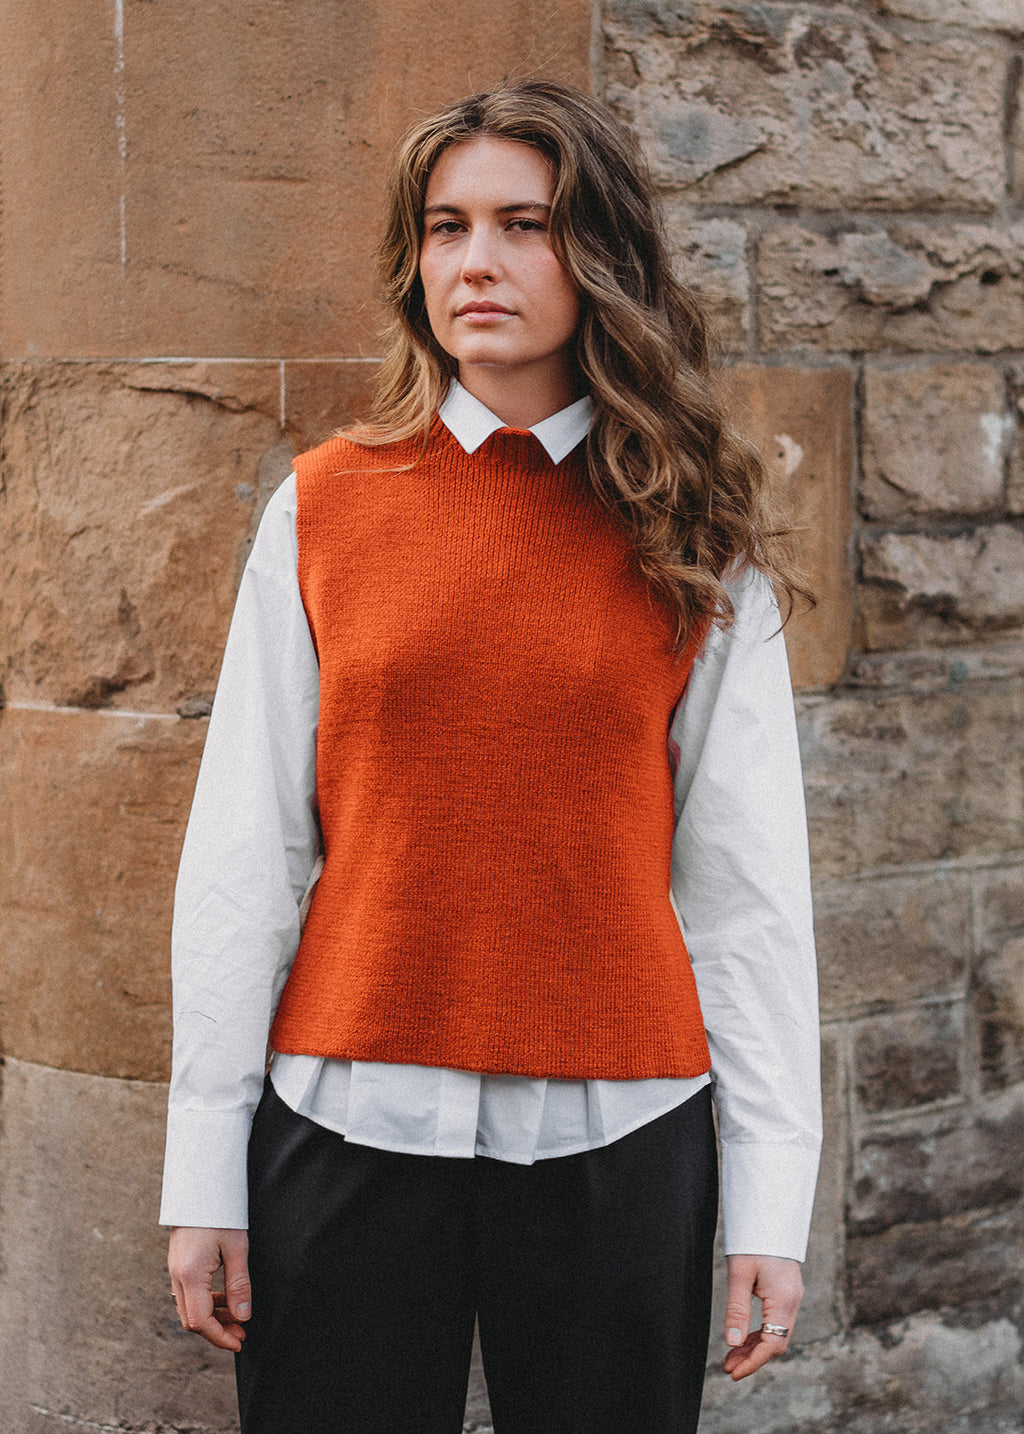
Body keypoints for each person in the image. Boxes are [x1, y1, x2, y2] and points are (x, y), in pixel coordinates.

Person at [162, 79, 821, 1434]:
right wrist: (203, 1168)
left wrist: (769, 1202)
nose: (477, 261)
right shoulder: (325, 507)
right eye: (446, 226)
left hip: (620, 1133)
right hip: (346, 1119)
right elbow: (245, 855)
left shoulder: (692, 533)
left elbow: (748, 897)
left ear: (600, 254)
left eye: (525, 224)